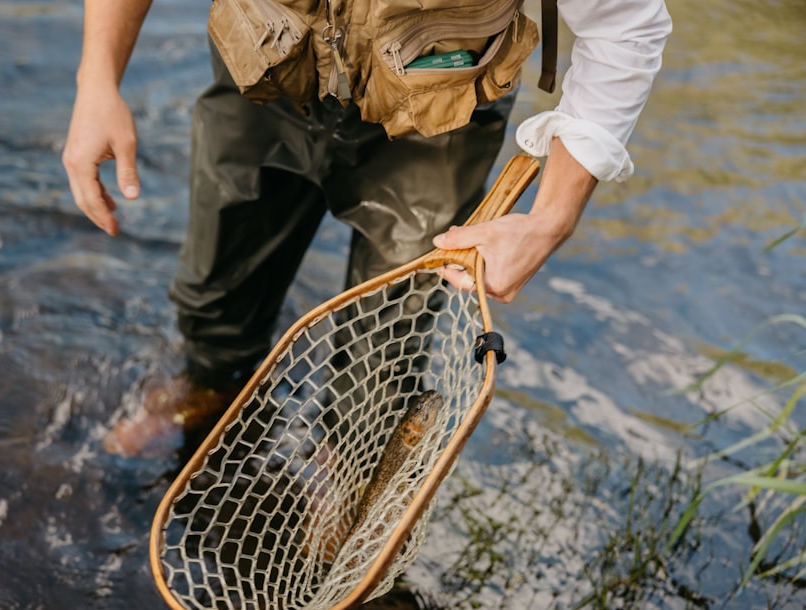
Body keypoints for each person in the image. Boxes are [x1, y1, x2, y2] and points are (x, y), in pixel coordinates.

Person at [62, 0, 672, 456]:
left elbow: (624, 25)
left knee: (385, 353)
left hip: (434, 117)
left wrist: (552, 218)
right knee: (216, 291)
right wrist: (97, 81)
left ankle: (344, 461)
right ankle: (204, 387)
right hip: (264, 80)